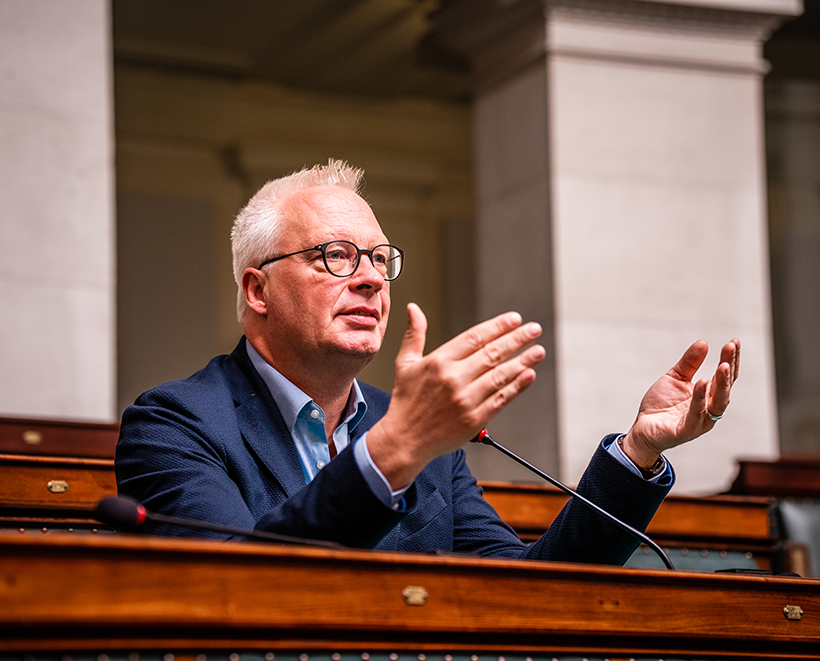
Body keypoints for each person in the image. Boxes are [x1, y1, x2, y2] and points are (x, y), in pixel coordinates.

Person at [116, 159, 740, 563]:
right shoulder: (173, 425)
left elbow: (528, 592)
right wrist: (396, 448)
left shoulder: (420, 430)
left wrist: (637, 452)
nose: (368, 280)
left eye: (378, 260)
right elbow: (232, 586)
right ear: (258, 290)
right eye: (335, 255)